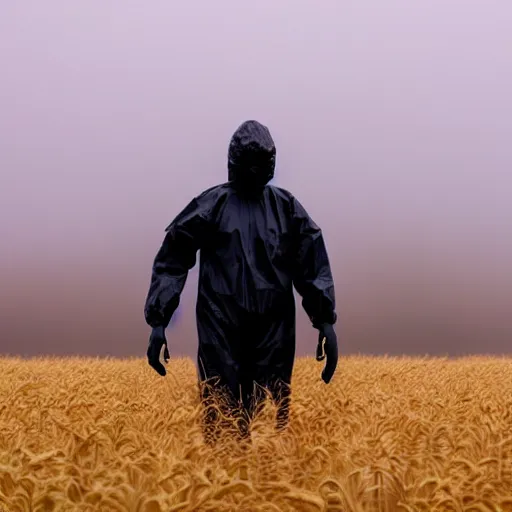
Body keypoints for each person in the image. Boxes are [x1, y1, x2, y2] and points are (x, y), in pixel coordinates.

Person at [144, 120, 338, 445]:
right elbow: (173, 256)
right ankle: (225, 489)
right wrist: (158, 320)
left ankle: (262, 489)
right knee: (221, 423)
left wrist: (325, 321)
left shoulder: (286, 209)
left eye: (263, 163)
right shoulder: (212, 206)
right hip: (221, 330)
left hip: (272, 335)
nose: (258, 170)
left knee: (269, 426)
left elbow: (311, 261)